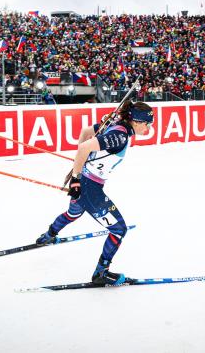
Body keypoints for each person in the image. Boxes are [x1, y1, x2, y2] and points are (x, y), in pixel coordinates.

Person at [35, 100, 154, 285]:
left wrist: (79, 165)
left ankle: (49, 235)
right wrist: (75, 177)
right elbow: (84, 147)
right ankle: (101, 273)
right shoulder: (119, 136)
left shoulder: (117, 125)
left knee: (74, 213)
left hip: (85, 180)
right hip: (89, 187)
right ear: (137, 121)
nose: (148, 129)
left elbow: (85, 133)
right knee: (118, 229)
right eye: (147, 124)